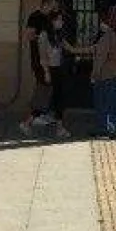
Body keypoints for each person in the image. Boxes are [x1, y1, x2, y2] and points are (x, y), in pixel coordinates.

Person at [41, 10, 89, 139]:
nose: (61, 22)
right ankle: (54, 126)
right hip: (50, 69)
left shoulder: (58, 36)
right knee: (49, 98)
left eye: (62, 20)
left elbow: (71, 49)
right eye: (59, 20)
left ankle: (58, 127)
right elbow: (42, 56)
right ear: (52, 21)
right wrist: (46, 72)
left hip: (59, 69)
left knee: (59, 99)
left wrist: (91, 49)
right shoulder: (44, 35)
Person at [20, 0, 61, 135]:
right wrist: (43, 38)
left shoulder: (48, 17)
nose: (56, 7)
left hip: (49, 60)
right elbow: (28, 35)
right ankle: (30, 119)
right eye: (54, 4)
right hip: (39, 59)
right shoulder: (35, 16)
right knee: (43, 89)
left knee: (45, 89)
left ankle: (40, 115)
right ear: (47, 3)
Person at [90, 5, 116, 138]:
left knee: (104, 103)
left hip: (108, 74)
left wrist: (95, 72)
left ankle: (105, 129)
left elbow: (101, 56)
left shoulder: (109, 35)